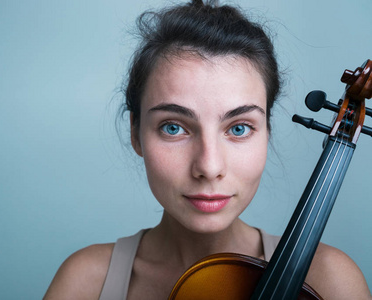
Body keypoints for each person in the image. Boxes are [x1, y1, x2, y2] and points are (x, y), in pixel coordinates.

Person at [43, 1, 371, 299]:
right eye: (173, 127)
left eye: (239, 128)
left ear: (267, 133)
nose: (209, 166)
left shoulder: (330, 282)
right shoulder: (85, 282)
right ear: (136, 133)